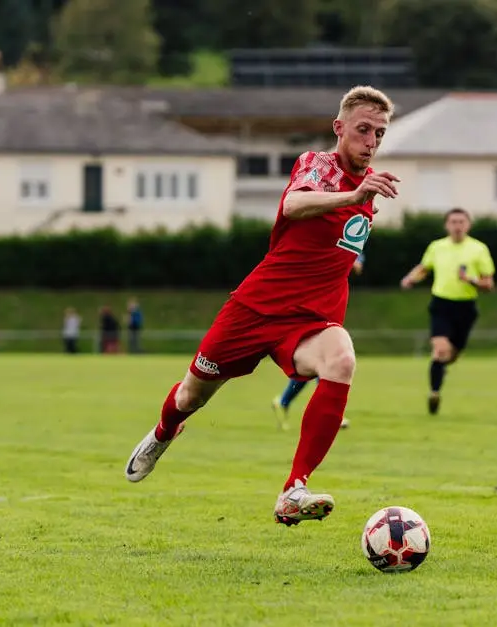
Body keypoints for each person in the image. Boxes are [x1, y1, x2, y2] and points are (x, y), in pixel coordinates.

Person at [123, 86, 401, 527]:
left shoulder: (368, 192)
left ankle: (294, 489)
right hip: (256, 308)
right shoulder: (319, 165)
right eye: (363, 130)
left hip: (309, 319)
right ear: (339, 128)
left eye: (380, 134)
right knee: (191, 395)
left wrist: (358, 207)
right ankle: (163, 433)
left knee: (342, 359)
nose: (371, 142)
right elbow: (293, 203)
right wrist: (352, 197)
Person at [400, 208, 496, 415]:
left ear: (468, 225)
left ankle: (441, 369)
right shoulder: (437, 247)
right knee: (440, 350)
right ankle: (434, 393)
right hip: (441, 304)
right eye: (453, 222)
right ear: (447, 225)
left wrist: (472, 280)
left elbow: (489, 284)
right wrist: (410, 278)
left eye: (461, 221)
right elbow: (424, 268)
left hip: (466, 307)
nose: (457, 226)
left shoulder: (478, 249)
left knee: (450, 356)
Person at [272, 252, 365, 430]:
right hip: (312, 303)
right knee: (325, 358)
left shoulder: (352, 236)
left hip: (331, 301)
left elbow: (358, 266)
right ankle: (330, 414)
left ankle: (283, 401)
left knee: (314, 364)